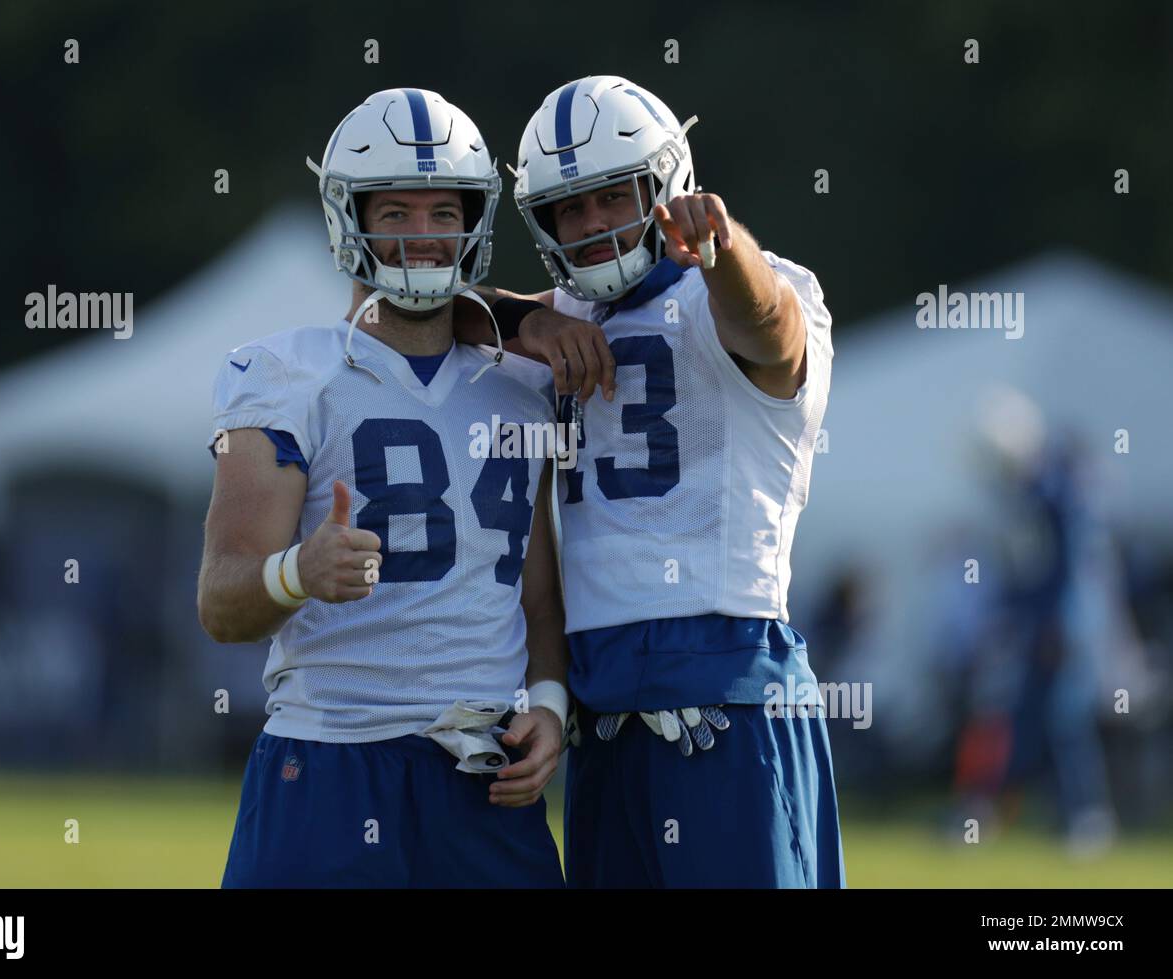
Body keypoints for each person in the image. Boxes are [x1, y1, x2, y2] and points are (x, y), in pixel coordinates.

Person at [198, 88, 566, 887]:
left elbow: (539, 599)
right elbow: (221, 600)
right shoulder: (286, 372)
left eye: (444, 211)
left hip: (482, 779)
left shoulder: (520, 385)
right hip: (330, 763)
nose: (423, 237)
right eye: (394, 213)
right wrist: (298, 570)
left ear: (476, 220)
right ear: (347, 218)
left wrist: (551, 706)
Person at [512, 75, 844, 887]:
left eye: (610, 197)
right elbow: (431, 309)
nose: (590, 226)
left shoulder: (735, 288)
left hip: (726, 701)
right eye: (569, 208)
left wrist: (726, 249)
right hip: (604, 724)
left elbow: (766, 326)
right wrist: (529, 315)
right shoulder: (559, 320)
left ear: (666, 186)